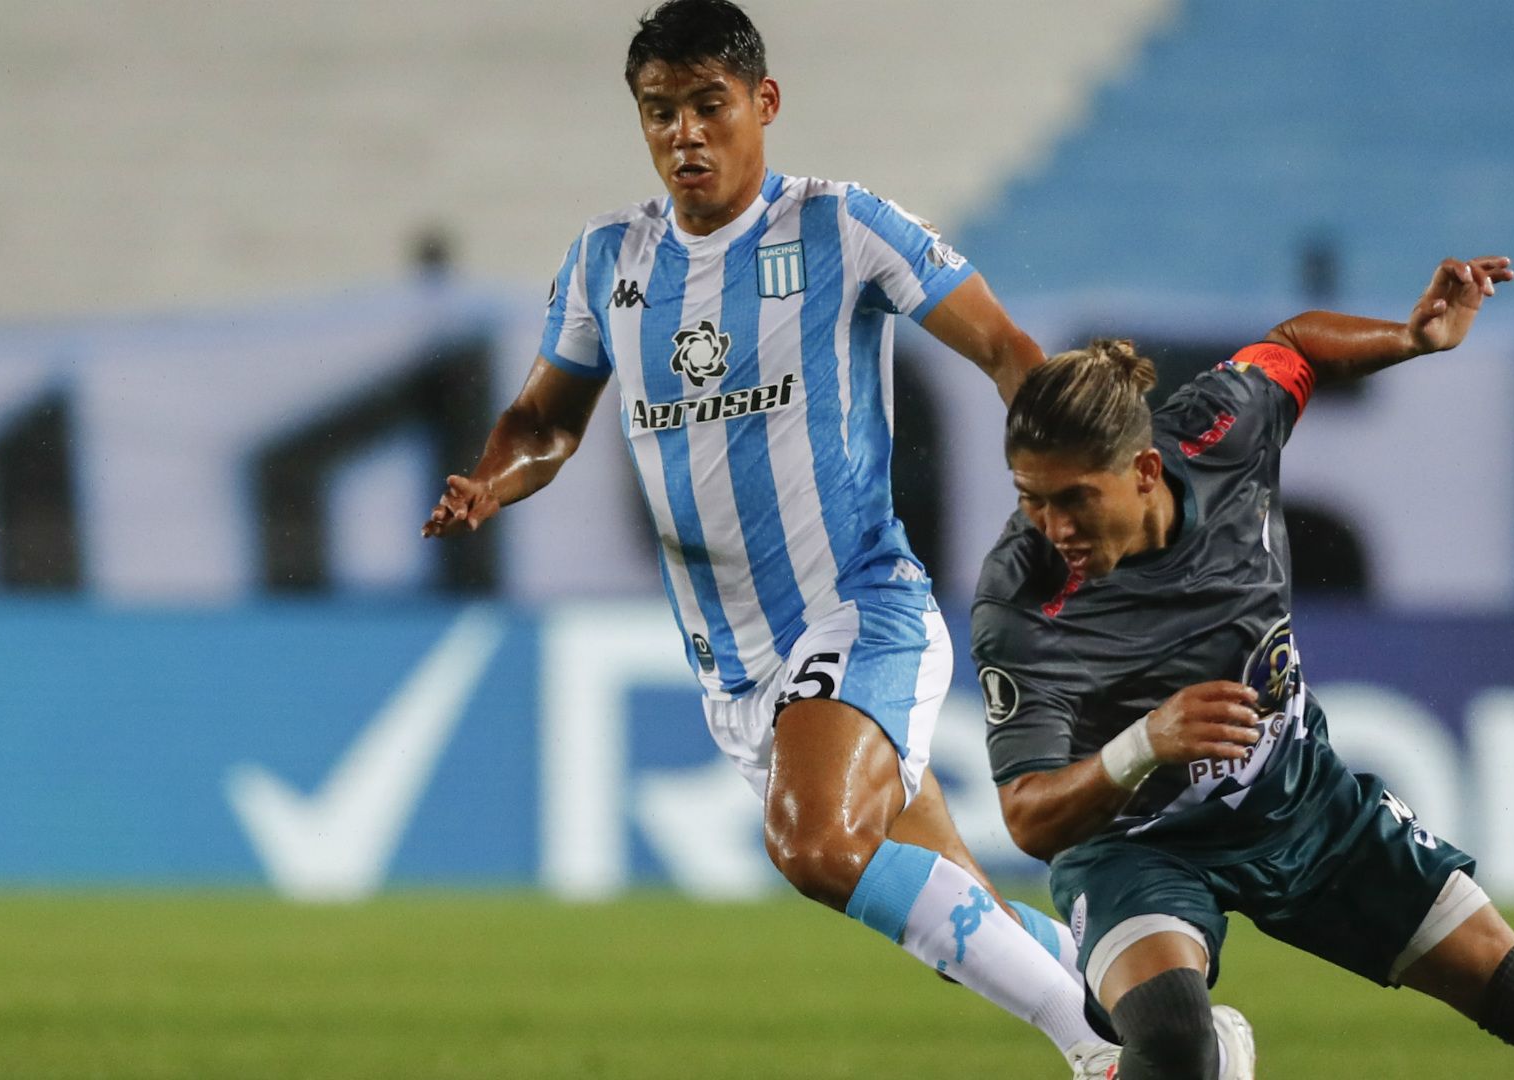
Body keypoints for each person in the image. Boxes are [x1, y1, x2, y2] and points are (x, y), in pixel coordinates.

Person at [421, 0, 1117, 1073]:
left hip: (858, 610)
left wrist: (1070, 484)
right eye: (660, 112)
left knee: (814, 843)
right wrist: (490, 480)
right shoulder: (609, 261)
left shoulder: (841, 226)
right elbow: (545, 421)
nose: (685, 135)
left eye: (710, 105)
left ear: (765, 102)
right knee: (956, 915)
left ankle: (1107, 1056)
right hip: (737, 669)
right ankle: (1166, 1020)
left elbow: (1004, 347)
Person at [972, 255, 1514, 1079]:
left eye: (1074, 499)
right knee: (1173, 1043)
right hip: (1136, 843)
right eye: (1030, 498)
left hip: (1304, 804)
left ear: (1147, 471)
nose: (1052, 526)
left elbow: (1295, 345)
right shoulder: (1022, 594)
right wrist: (1144, 744)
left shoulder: (1223, 429)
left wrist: (1409, 338)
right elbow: (1029, 816)